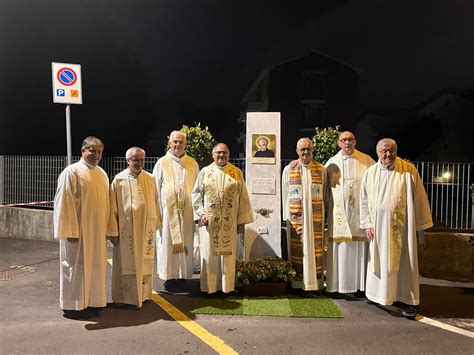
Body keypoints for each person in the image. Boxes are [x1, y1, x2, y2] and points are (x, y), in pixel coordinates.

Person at [360, 138, 433, 319]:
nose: (388, 154)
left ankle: (408, 300)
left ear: (396, 151)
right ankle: (377, 294)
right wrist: (367, 223)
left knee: (405, 263)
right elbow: (363, 200)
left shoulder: (408, 171)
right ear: (377, 153)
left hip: (403, 229)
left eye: (392, 150)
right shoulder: (370, 173)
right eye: (384, 151)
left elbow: (419, 198)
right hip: (378, 228)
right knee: (378, 261)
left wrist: (420, 226)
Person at [53, 136, 110, 320]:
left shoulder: (102, 174)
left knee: (95, 268)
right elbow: (64, 203)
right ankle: (74, 306)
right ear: (83, 151)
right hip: (78, 233)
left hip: (97, 232)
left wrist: (108, 229)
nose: (96, 155)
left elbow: (107, 205)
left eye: (99, 151)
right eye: (92, 150)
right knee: (75, 269)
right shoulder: (72, 172)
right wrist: (69, 230)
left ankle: (93, 302)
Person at [192, 143, 254, 294]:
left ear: (228, 154)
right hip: (209, 224)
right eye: (218, 153)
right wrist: (201, 214)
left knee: (227, 256)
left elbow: (243, 198)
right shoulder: (205, 172)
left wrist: (241, 222)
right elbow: (196, 195)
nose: (221, 155)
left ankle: (227, 288)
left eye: (224, 153)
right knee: (210, 255)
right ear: (213, 155)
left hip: (229, 224)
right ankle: (209, 288)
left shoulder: (236, 172)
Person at [107, 147, 162, 308]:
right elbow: (112, 208)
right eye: (136, 160)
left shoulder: (150, 179)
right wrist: (112, 231)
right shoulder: (119, 180)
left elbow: (156, 201)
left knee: (145, 262)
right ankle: (124, 298)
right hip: (127, 231)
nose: (139, 163)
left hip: (146, 229)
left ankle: (143, 295)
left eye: (142, 160)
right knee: (126, 265)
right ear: (128, 160)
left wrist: (157, 222)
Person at [325, 131, 375, 296]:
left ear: (355, 141)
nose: (347, 142)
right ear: (339, 143)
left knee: (359, 250)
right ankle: (337, 286)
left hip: (359, 213)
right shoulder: (332, 163)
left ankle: (360, 287)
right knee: (340, 248)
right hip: (339, 213)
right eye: (344, 140)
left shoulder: (367, 160)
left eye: (350, 139)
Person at [153, 131, 199, 292]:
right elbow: (155, 190)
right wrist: (157, 214)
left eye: (180, 142)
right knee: (167, 244)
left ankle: (182, 276)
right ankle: (170, 277)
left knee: (186, 244)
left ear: (185, 144)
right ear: (169, 143)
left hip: (187, 213)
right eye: (175, 142)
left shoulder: (193, 163)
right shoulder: (162, 163)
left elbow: (197, 190)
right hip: (167, 214)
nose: (177, 145)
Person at [282, 138, 327, 291]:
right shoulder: (289, 169)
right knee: (298, 249)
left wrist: (323, 213)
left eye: (308, 149)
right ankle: (297, 283)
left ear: (312, 150)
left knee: (315, 250)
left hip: (315, 217)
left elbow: (325, 193)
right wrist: (285, 217)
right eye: (302, 149)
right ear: (297, 151)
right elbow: (284, 193)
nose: (306, 152)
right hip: (296, 217)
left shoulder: (321, 169)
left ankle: (315, 284)